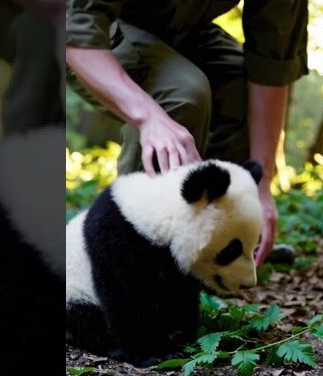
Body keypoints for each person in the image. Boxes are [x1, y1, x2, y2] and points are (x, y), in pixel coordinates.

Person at [66, 0, 308, 265]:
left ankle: (217, 247)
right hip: (78, 27)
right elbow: (78, 29)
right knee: (183, 93)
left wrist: (261, 185)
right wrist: (150, 118)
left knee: (238, 84)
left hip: (178, 30)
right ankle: (127, 257)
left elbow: (270, 64)